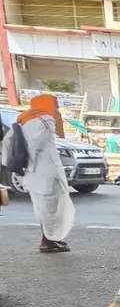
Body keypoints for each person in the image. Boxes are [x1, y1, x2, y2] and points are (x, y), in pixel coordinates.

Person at [2, 94, 74, 253]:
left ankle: (52, 239)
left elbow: (7, 142)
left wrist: (12, 164)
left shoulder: (22, 119)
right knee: (51, 207)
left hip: (32, 173)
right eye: (54, 105)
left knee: (43, 207)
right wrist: (33, 160)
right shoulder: (45, 119)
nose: (56, 109)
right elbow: (37, 143)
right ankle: (48, 242)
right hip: (46, 172)